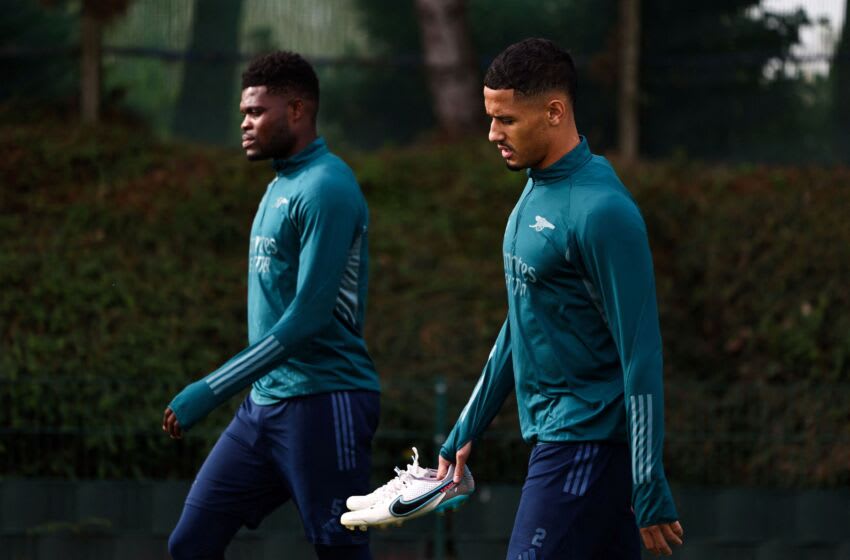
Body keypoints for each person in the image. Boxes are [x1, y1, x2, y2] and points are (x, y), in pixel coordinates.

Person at [436, 38, 684, 558]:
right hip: (563, 438)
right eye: (490, 117)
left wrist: (648, 478)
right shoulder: (534, 188)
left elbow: (642, 354)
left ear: (554, 111)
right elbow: (522, 321)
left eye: (506, 120)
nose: (492, 133)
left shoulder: (603, 212)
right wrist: (468, 424)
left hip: (585, 442)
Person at [162, 51, 380, 560]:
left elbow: (307, 319)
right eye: (243, 112)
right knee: (190, 545)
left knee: (340, 553)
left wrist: (208, 390)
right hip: (264, 406)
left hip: (327, 401)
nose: (245, 123)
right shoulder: (281, 183)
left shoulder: (328, 186)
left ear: (297, 111)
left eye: (257, 112)